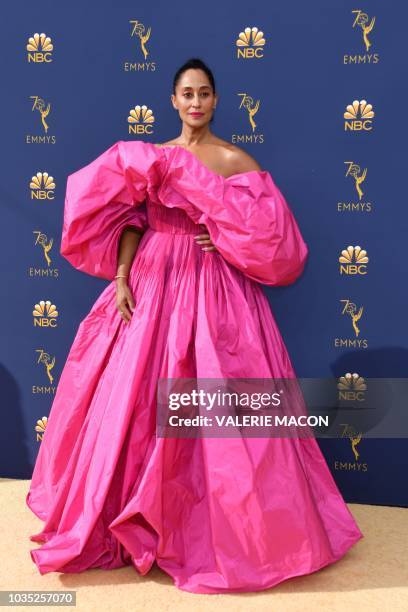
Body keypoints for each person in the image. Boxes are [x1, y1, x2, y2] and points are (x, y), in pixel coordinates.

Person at [26, 57, 363, 594]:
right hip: (153, 278)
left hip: (214, 291)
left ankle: (213, 531)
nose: (196, 102)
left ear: (216, 100)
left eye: (205, 93)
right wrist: (120, 274)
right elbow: (134, 219)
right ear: (173, 100)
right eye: (187, 93)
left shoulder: (233, 159)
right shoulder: (153, 159)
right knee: (133, 404)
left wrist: (223, 238)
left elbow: (273, 240)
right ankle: (135, 520)